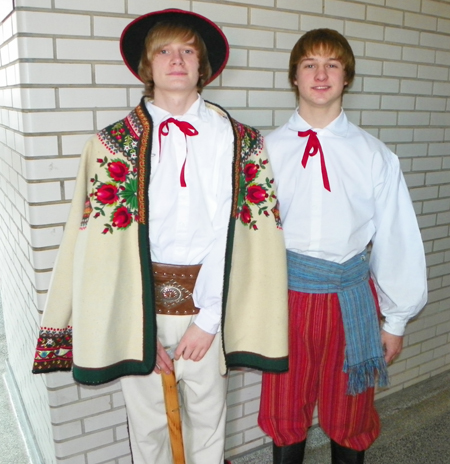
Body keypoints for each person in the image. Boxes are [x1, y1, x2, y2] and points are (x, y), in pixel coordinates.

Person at [32, 9, 289, 464]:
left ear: (202, 66)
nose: (176, 59)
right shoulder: (110, 144)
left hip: (210, 308)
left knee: (209, 425)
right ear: (146, 66)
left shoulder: (242, 142)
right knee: (148, 426)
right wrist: (139, 325)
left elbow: (246, 239)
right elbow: (97, 245)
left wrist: (208, 319)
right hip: (140, 309)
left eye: (188, 50)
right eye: (164, 51)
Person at [257, 28, 427, 464]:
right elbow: (248, 240)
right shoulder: (265, 152)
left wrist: (395, 319)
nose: (320, 74)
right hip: (286, 300)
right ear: (293, 76)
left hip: (350, 301)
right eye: (309, 63)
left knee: (350, 419)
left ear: (346, 77)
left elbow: (396, 236)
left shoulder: (374, 155)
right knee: (285, 416)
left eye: (332, 64)